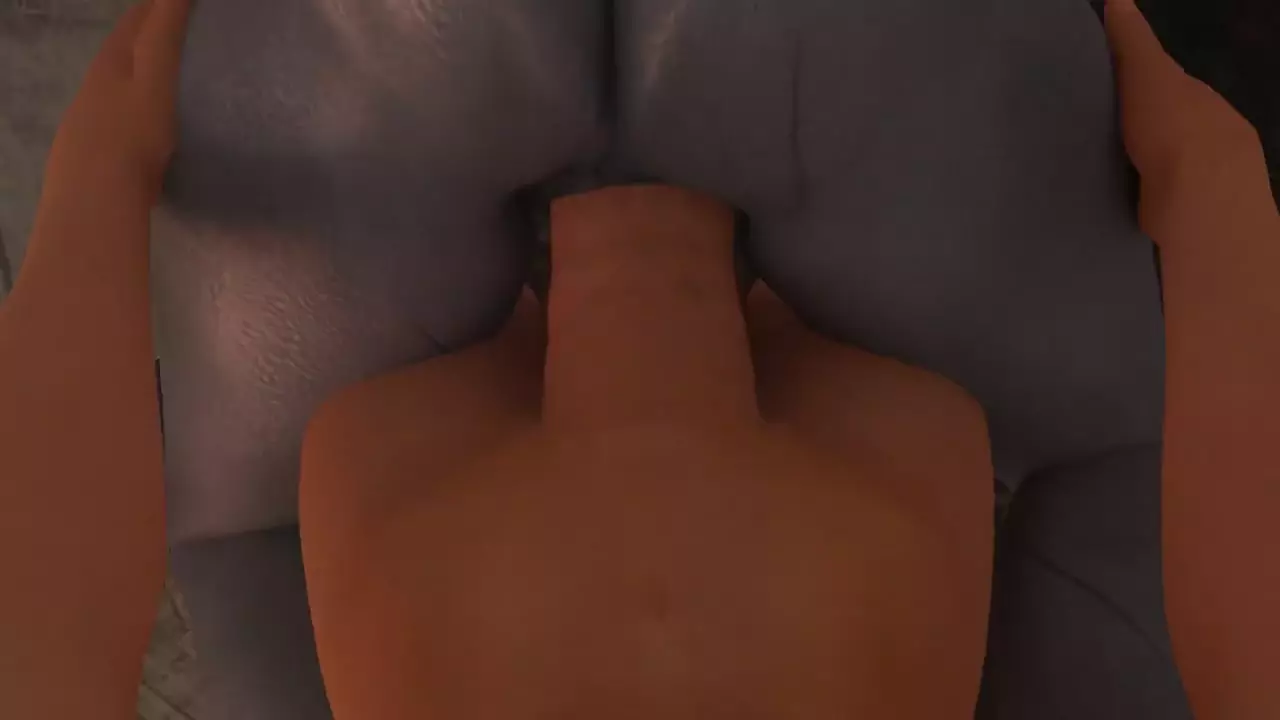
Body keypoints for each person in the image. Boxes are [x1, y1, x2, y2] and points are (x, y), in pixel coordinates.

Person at [0, 0, 1276, 718]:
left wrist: (99, 184)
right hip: (860, 399)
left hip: (394, 448)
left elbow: (49, 654)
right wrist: (1221, 207)